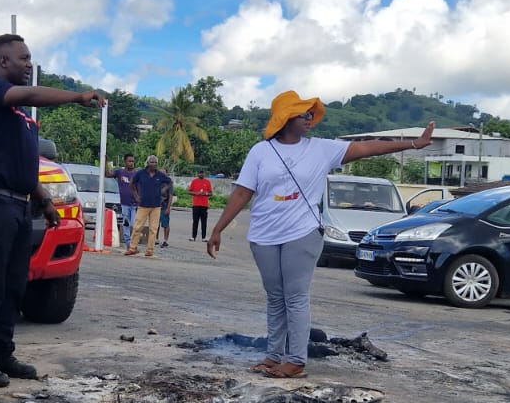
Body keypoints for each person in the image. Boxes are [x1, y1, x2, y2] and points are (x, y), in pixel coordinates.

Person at [207, 92, 434, 378]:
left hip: (302, 232)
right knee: (275, 297)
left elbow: (368, 148)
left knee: (296, 296)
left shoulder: (321, 149)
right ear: (286, 118)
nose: (310, 119)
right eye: (304, 115)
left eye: (311, 115)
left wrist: (414, 144)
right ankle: (274, 355)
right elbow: (242, 192)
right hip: (263, 235)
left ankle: (296, 360)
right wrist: (218, 229)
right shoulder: (260, 152)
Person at [0, 34, 105, 388]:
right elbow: (27, 93)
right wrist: (76, 96)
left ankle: (2, 354)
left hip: (20, 205)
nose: (29, 64)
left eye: (30, 59)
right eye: (23, 58)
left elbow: (22, 164)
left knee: (14, 285)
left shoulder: (20, 115)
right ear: (2, 61)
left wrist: (44, 200)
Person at [125, 155, 172, 257]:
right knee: (137, 227)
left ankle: (150, 250)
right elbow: (132, 184)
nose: (153, 164)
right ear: (147, 163)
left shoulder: (160, 175)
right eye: (151, 162)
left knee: (153, 229)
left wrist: (164, 189)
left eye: (155, 162)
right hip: (143, 205)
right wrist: (136, 196)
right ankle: (132, 248)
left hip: (156, 206)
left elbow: (169, 182)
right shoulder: (141, 173)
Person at [110, 153, 138, 247]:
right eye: (129, 161)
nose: (131, 163)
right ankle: (128, 243)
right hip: (124, 203)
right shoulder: (120, 172)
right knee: (126, 223)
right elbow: (107, 174)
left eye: (133, 161)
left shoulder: (136, 173)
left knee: (134, 224)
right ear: (125, 162)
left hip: (134, 204)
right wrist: (105, 162)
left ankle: (134, 243)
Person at [189, 172, 213, 241]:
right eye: (200, 173)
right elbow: (189, 191)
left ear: (204, 174)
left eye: (202, 173)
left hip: (204, 205)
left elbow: (211, 193)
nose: (201, 174)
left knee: (204, 222)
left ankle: (204, 237)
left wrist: (206, 193)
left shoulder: (207, 182)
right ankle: (193, 237)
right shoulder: (194, 181)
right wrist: (197, 193)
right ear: (197, 174)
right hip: (196, 204)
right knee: (195, 221)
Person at [158, 181, 173, 247]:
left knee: (165, 224)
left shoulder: (169, 183)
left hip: (164, 206)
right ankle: (155, 239)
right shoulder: (157, 181)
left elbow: (170, 196)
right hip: (156, 206)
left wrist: (168, 208)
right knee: (155, 224)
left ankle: (165, 240)